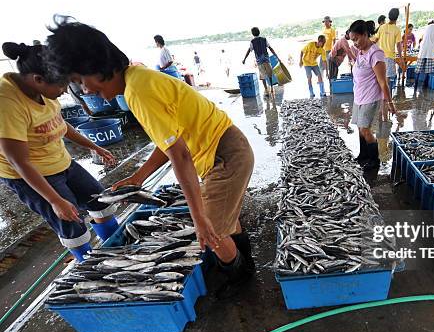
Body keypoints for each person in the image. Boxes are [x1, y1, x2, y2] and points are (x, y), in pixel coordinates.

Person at [45, 17, 256, 297]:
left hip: (224, 155)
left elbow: (179, 155)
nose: (85, 90)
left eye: (80, 81)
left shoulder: (138, 92)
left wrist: (198, 218)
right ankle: (241, 258)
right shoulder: (137, 80)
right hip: (224, 150)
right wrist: (139, 176)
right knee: (223, 218)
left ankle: (241, 278)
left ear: (94, 67)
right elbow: (170, 142)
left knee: (211, 230)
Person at [0, 42, 119, 262]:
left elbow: (59, 124)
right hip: (29, 173)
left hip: (61, 161)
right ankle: (90, 267)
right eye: (62, 85)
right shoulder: (6, 102)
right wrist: (55, 200)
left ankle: (118, 248)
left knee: (101, 200)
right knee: (71, 221)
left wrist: (95, 147)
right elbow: (19, 161)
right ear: (38, 79)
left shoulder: (42, 91)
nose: (65, 90)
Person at [348, 20, 396, 170]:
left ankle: (374, 160)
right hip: (359, 97)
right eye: (352, 40)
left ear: (365, 34)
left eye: (356, 39)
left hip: (370, 98)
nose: (355, 43)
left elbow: (383, 82)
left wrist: (390, 103)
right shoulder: (361, 52)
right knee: (359, 128)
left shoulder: (376, 53)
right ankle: (363, 155)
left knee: (365, 130)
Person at [242, 27, 279, 97]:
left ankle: (266, 90)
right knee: (270, 74)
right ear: (259, 32)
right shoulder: (264, 39)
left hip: (259, 61)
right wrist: (276, 56)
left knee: (263, 76)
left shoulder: (252, 42)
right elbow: (270, 48)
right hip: (266, 59)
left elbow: (249, 51)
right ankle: (271, 88)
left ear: (252, 34)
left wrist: (244, 59)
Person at [373, 8, 404, 89]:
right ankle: (386, 99)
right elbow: (398, 45)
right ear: (397, 17)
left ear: (389, 16)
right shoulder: (397, 29)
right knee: (387, 79)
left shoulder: (382, 27)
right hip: (389, 56)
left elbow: (375, 40)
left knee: (380, 77)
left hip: (379, 56)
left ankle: (382, 97)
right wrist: (401, 59)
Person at [414, 14, 434, 88]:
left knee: (418, 70)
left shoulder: (428, 26)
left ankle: (415, 84)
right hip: (430, 52)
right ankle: (424, 86)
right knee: (428, 71)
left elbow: (422, 38)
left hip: (422, 50)